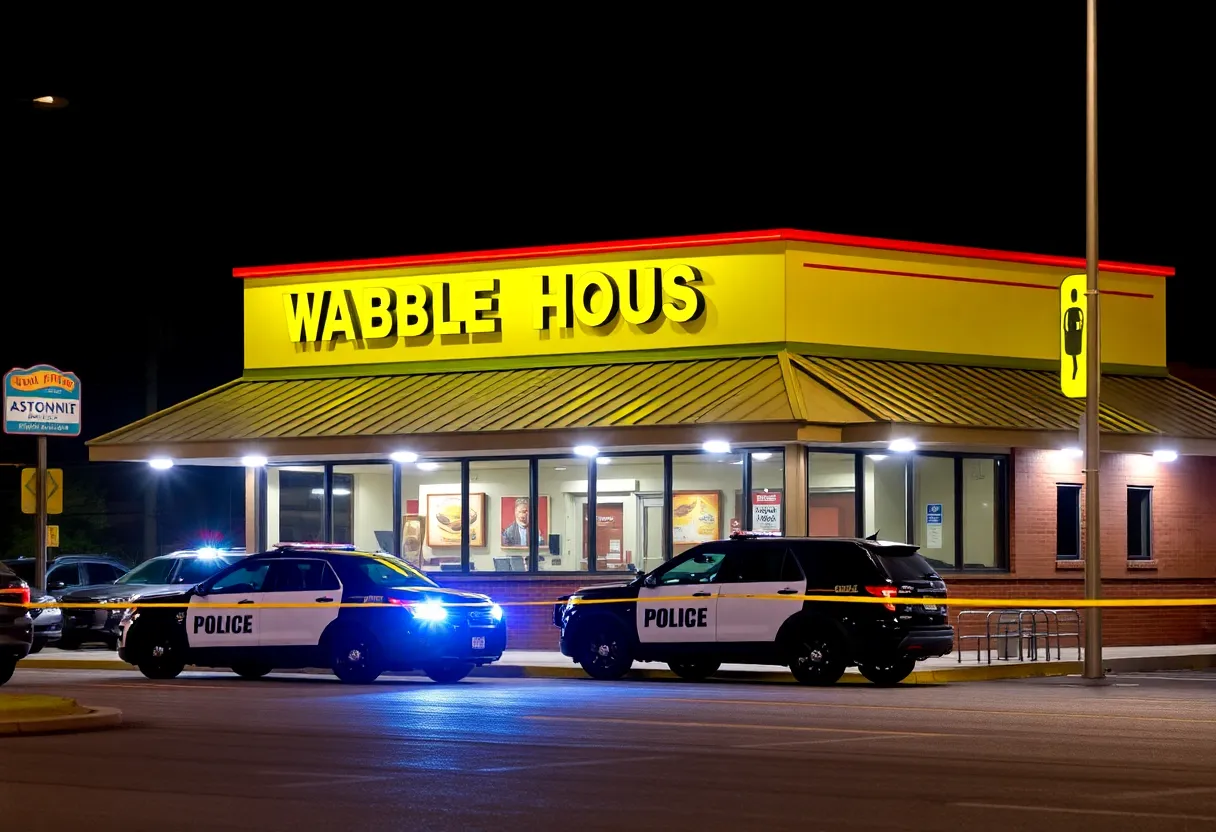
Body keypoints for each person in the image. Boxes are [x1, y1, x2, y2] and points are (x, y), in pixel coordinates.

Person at [1064, 287, 1084, 380]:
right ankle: (1074, 372)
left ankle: (1075, 373)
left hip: (1073, 334)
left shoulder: (1072, 311)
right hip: (1073, 334)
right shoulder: (1075, 310)